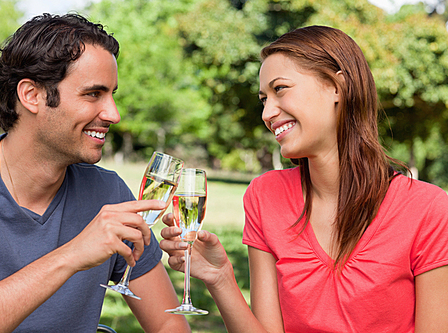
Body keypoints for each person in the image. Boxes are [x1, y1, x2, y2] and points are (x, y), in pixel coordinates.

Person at [160, 25, 448, 332]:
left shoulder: (427, 209)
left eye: (280, 89)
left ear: (337, 87)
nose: (267, 113)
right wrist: (220, 278)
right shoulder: (265, 195)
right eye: (263, 99)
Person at [0, 13, 190, 332]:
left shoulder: (108, 192)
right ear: (32, 96)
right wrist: (73, 255)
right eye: (93, 94)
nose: (113, 114)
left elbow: (168, 324)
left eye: (112, 94)